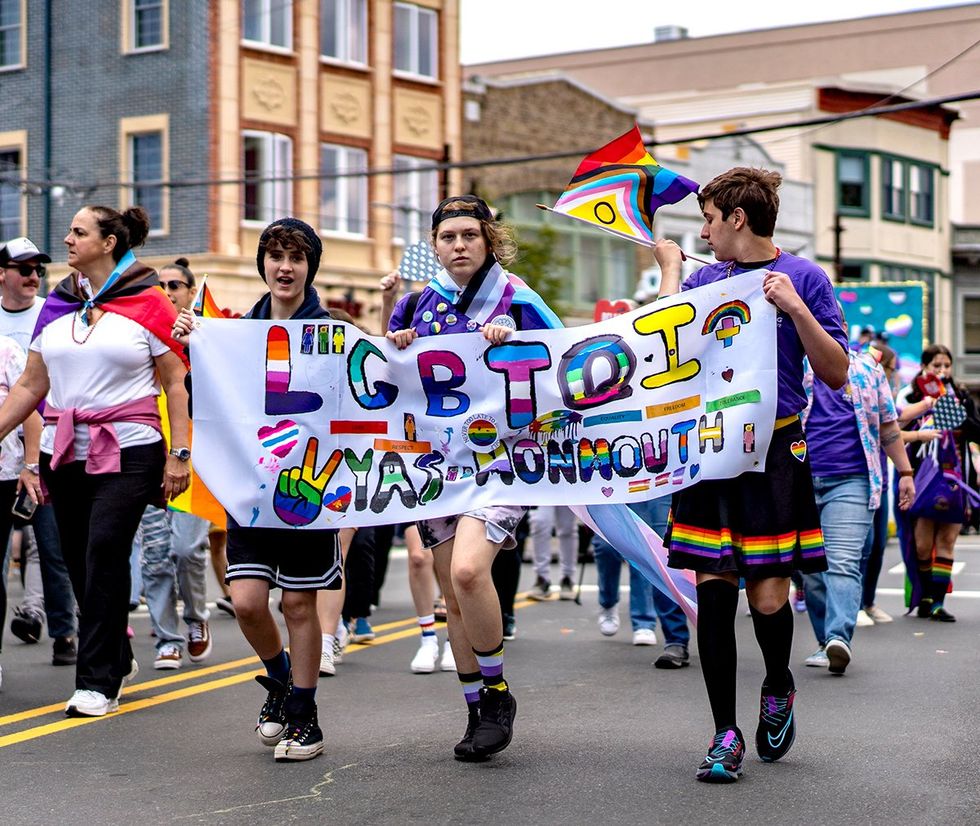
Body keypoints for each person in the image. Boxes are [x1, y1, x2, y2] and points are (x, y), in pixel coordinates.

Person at [654, 167, 849, 783]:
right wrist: (669, 277)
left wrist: (795, 309)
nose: (704, 232)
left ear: (737, 219)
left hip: (776, 450)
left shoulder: (806, 277)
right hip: (710, 448)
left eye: (709, 219)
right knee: (712, 590)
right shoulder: (705, 279)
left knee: (767, 595)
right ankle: (723, 734)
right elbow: (658, 356)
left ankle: (779, 683)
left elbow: (838, 372)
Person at [386, 195, 561, 762]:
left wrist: (521, 342)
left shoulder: (518, 297)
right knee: (452, 598)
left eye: (468, 235)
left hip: (504, 461)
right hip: (434, 464)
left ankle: (497, 691)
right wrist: (398, 345)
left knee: (467, 571)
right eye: (447, 237)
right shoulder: (417, 304)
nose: (458, 245)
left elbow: (565, 359)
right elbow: (387, 378)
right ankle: (474, 709)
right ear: (434, 245)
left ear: (488, 239)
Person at [0, 205, 191, 717]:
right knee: (81, 558)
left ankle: (98, 680)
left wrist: (180, 455)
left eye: (78, 232)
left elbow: (175, 383)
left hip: (131, 448)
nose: (66, 239)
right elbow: (30, 385)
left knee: (105, 548)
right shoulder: (59, 303)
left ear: (108, 243)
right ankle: (118, 653)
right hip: (64, 449)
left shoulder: (149, 302)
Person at [174, 217, 341, 762]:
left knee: (298, 603)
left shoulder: (332, 331)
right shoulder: (238, 331)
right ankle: (283, 683)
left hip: (311, 487)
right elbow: (212, 400)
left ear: (310, 266)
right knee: (246, 602)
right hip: (252, 488)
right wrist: (192, 350)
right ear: (263, 264)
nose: (284, 267)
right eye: (275, 255)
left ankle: (304, 716)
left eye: (295, 257)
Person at [800, 320, 915, 675]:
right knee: (811, 570)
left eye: (833, 323)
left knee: (844, 561)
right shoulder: (791, 362)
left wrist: (906, 473)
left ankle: (838, 638)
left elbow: (887, 426)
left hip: (852, 480)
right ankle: (824, 641)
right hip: (799, 479)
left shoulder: (867, 368)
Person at [133, 258, 213, 670]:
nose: (166, 291)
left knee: (185, 549)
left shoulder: (206, 340)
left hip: (193, 462)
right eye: (159, 285)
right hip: (146, 457)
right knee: (156, 553)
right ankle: (167, 637)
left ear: (189, 293)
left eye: (175, 285)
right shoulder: (139, 336)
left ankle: (196, 617)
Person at [0, 238, 77, 665]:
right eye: (23, 268)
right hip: (3, 452)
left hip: (46, 444)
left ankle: (64, 634)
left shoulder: (52, 312)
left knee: (51, 545)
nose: (33, 276)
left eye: (38, 269)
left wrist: (35, 459)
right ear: (2, 273)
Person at [896, 344, 980, 622]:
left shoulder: (963, 397)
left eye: (946, 366)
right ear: (925, 367)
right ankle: (925, 594)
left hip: (956, 477)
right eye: (936, 366)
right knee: (922, 544)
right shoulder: (910, 395)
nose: (942, 371)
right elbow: (894, 429)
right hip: (921, 476)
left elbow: (975, 431)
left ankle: (936, 603)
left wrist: (953, 408)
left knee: (947, 539)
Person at [593, 495, 691, 667]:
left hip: (656, 478)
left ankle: (675, 639)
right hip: (612, 479)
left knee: (661, 550)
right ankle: (608, 602)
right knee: (605, 547)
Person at [527, 505, 578, 601]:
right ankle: (542, 577)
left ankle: (567, 578)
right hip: (540, 490)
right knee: (539, 523)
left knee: (567, 528)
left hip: (568, 490)